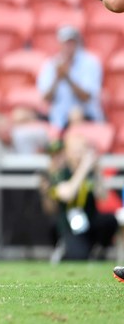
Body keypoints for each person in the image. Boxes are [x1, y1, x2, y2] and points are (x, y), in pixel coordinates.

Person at [40, 132, 117, 261]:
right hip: (70, 224)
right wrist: (83, 168)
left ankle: (99, 249)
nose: (79, 155)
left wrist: (97, 172)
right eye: (75, 151)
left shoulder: (90, 172)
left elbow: (103, 196)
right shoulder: (60, 173)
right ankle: (64, 251)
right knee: (79, 257)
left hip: (90, 219)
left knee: (110, 220)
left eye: (82, 150)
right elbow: (68, 194)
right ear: (68, 153)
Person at [36, 26, 103, 131]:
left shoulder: (90, 62)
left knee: (75, 114)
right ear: (60, 44)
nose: (68, 46)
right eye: (65, 43)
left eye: (71, 43)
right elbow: (45, 98)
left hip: (86, 115)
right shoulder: (51, 64)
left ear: (77, 43)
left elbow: (86, 96)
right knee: (22, 115)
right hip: (58, 116)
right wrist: (57, 79)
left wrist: (68, 78)